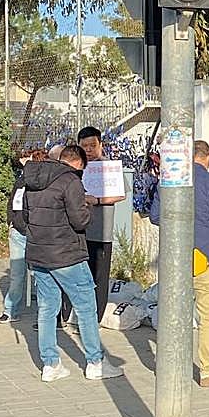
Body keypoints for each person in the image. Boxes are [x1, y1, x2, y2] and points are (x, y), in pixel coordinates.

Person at [23, 144, 124, 382]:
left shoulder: (33, 179)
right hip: (67, 254)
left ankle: (50, 365)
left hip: (39, 253)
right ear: (78, 163)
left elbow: (26, 216)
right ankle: (95, 362)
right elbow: (80, 221)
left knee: (47, 308)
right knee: (86, 307)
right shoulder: (71, 181)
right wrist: (88, 204)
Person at [149, 140, 209, 387]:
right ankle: (208, 371)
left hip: (175, 258)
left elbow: (155, 217)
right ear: (208, 157)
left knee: (174, 315)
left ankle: (171, 368)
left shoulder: (168, 181)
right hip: (205, 257)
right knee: (208, 318)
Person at [78, 126, 126, 325]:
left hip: (101, 232)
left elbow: (121, 194)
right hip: (78, 231)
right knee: (79, 276)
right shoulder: (77, 167)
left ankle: (95, 319)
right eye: (85, 146)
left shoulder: (110, 167)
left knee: (99, 277)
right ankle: (73, 315)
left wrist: (96, 200)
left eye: (92, 145)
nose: (89, 150)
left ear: (100, 145)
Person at [0, 148, 48, 324]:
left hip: (38, 234)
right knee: (16, 275)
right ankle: (10, 310)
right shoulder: (20, 181)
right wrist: (10, 221)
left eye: (30, 161)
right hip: (18, 232)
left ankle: (44, 314)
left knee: (41, 276)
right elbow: (13, 201)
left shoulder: (44, 183)